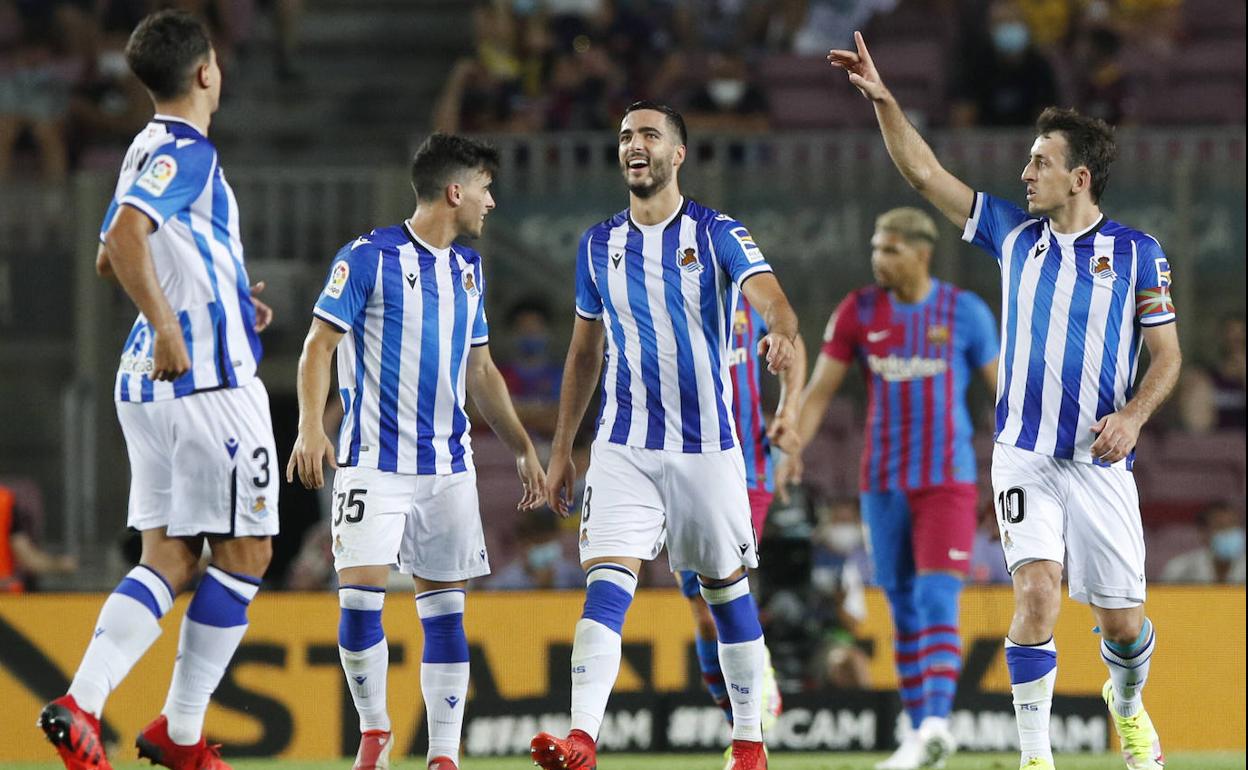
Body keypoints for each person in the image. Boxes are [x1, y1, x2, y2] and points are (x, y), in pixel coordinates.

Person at [829, 32, 1182, 770]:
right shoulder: (1015, 236)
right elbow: (925, 173)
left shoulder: (1137, 254)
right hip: (1023, 455)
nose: (1025, 173)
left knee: (1123, 625)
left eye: (1040, 162)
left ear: (1079, 177)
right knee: (1037, 594)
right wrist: (885, 100)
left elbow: (1168, 356)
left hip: (1098, 460)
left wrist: (1133, 416)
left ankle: (1126, 705)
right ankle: (1034, 758)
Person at [38, 11, 279, 770]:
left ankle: (83, 704)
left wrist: (222, 297)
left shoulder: (141, 147)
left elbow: (115, 254)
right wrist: (175, 326)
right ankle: (180, 732)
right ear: (206, 71)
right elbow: (122, 241)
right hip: (204, 381)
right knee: (246, 551)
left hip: (147, 384)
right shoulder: (187, 150)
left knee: (170, 558)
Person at [529, 101, 800, 770]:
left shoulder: (716, 233)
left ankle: (749, 743)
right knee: (606, 584)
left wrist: (778, 333)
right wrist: (562, 450)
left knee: (724, 593)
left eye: (649, 134)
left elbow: (774, 299)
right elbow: (584, 353)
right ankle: (582, 739)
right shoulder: (597, 245)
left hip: (707, 448)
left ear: (677, 154)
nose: (634, 144)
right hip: (623, 445)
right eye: (626, 135)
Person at [286, 132, 546, 770]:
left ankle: (443, 755)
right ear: (455, 191)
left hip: (448, 468)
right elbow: (319, 345)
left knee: (447, 612)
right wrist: (311, 427)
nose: (491, 201)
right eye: (485, 188)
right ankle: (374, 730)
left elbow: (480, 370)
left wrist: (521, 446)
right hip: (372, 463)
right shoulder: (368, 257)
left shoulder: (468, 270)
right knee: (359, 601)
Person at [777, 206, 999, 769]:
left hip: (946, 481)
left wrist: (1022, 471)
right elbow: (820, 391)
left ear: (922, 253)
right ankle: (920, 735)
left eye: (891, 249)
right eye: (876, 247)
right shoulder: (858, 311)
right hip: (883, 483)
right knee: (901, 606)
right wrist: (792, 446)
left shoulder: (965, 313)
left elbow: (1006, 397)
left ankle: (936, 723)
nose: (878, 258)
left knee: (935, 596)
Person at [673, 293, 804, 761]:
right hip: (682, 466)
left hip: (748, 468)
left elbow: (793, 343)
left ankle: (747, 738)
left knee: (722, 591)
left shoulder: (747, 295)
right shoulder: (661, 295)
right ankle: (743, 728)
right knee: (703, 613)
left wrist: (788, 411)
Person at [0, 481, 77, 592]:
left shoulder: (5, 501)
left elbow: (27, 557)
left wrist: (59, 565)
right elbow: (28, 558)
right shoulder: (4, 501)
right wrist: (59, 565)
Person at [486, 509, 584, 590]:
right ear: (523, 544)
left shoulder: (574, 576)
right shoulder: (503, 584)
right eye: (538, 542)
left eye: (548, 541)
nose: (544, 547)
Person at [1160, 502, 1246, 584]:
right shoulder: (1179, 569)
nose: (1229, 532)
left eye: (1234, 525)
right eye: (1221, 526)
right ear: (1203, 533)